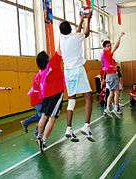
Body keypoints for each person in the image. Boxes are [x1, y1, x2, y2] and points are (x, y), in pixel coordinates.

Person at [59, 12, 94, 142]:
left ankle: (68, 128)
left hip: (67, 72)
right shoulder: (76, 37)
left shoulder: (62, 39)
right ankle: (86, 126)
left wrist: (81, 20)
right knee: (88, 96)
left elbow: (77, 33)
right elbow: (86, 33)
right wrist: (88, 19)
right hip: (78, 70)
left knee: (71, 100)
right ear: (70, 29)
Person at [36, 51, 65, 152]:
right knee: (52, 118)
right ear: (47, 58)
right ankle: (43, 141)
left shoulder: (41, 72)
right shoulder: (53, 62)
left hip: (46, 95)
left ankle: (39, 136)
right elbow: (59, 49)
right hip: (56, 94)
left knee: (44, 116)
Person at [101, 32, 125, 118]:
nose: (110, 47)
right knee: (117, 92)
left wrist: (119, 37)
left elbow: (116, 46)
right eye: (108, 46)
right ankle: (115, 108)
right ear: (104, 47)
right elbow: (106, 67)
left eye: (110, 45)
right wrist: (113, 67)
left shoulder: (108, 54)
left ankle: (107, 109)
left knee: (111, 93)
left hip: (109, 76)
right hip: (111, 75)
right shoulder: (105, 55)